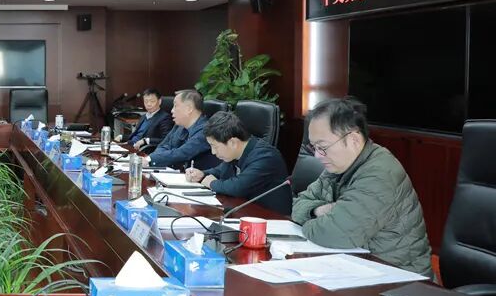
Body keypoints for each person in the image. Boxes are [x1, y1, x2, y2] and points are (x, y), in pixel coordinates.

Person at [292, 97, 432, 276]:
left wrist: (308, 222)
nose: (317, 156)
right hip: (361, 269)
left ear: (354, 140)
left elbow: (334, 234)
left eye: (323, 147)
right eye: (314, 147)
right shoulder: (339, 166)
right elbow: (298, 204)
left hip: (401, 278)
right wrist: (318, 211)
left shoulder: (379, 174)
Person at [184, 111, 291, 215]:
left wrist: (211, 183)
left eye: (215, 146)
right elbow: (220, 171)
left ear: (233, 142)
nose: (213, 152)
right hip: (245, 212)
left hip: (272, 218)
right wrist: (202, 174)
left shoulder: (266, 156)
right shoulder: (235, 154)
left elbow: (237, 187)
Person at [145, 89, 217, 170]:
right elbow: (164, 145)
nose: (172, 110)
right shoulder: (179, 125)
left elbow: (182, 153)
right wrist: (150, 159)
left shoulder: (206, 131)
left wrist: (150, 159)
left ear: (189, 109)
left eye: (175, 106)